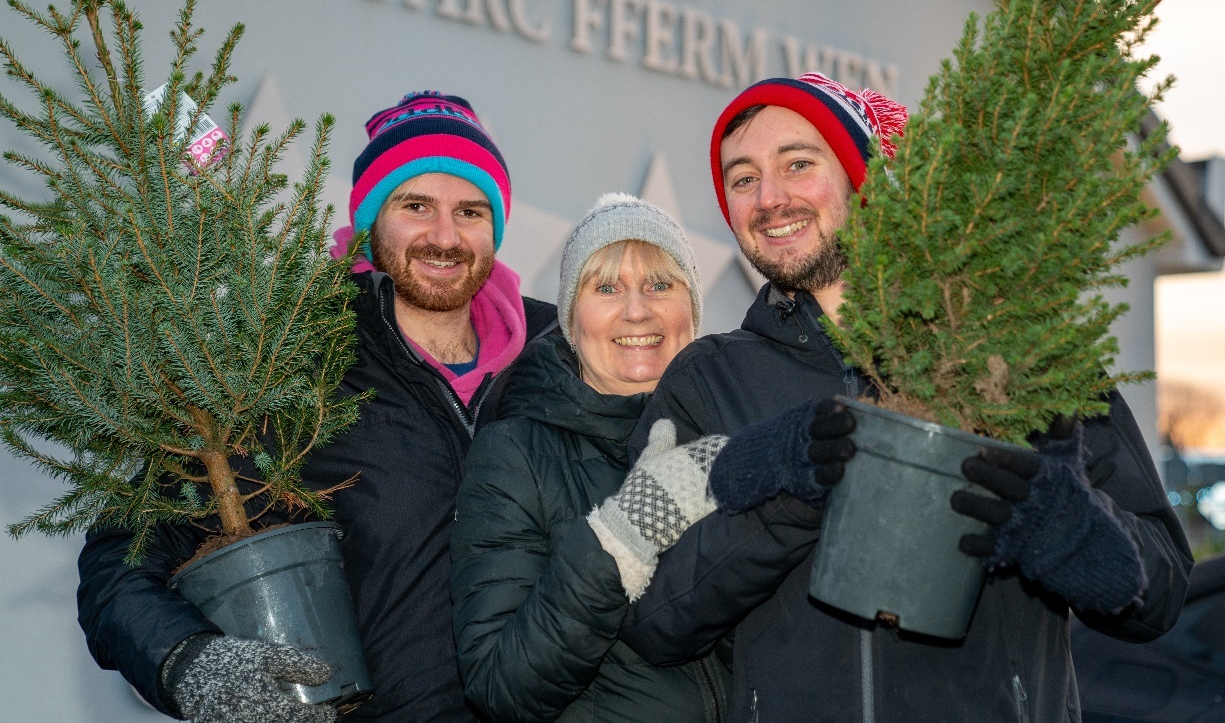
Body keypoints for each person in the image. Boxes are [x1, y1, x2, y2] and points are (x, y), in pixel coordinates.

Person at [613, 73, 1194, 722]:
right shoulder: (708, 379)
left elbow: (1160, 595)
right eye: (742, 178)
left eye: (798, 164)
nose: (768, 198)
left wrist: (1067, 530)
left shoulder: (1019, 350)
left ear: (864, 178)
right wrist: (778, 497)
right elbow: (650, 621)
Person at [76, 91, 558, 723]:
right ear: (367, 221)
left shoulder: (560, 356)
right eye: (415, 206)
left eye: (470, 210)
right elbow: (124, 552)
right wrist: (190, 662)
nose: (445, 236)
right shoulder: (294, 362)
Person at [450, 193, 732, 723]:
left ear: (691, 311)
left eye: (659, 285)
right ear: (571, 320)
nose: (637, 310)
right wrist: (621, 539)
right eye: (606, 288)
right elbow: (499, 684)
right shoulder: (517, 455)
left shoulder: (733, 431)